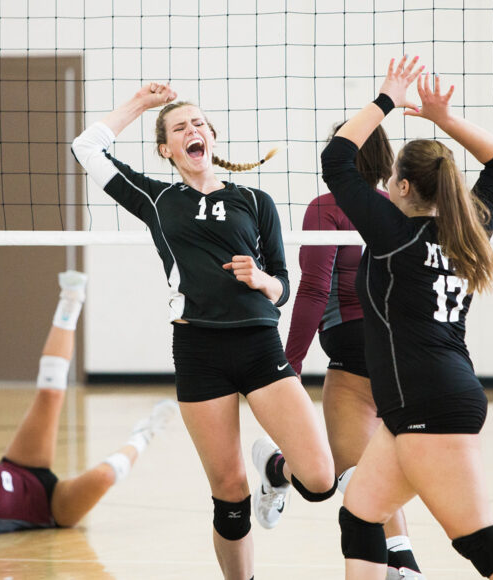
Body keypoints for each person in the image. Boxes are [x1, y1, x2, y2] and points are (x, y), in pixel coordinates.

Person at [72, 84, 336, 580]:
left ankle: (274, 470)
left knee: (320, 480)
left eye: (198, 124)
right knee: (229, 491)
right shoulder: (155, 198)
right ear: (166, 150)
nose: (192, 130)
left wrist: (262, 280)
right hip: (199, 350)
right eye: (179, 128)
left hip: (259, 344)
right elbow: (86, 147)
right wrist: (143, 105)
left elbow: (283, 285)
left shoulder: (256, 201)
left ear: (211, 137)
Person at [320, 56, 493, 579]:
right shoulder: (470, 230)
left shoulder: (394, 235)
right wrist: (443, 119)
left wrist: (387, 99)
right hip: (425, 399)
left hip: (429, 402)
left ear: (399, 188)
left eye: (393, 176)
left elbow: (337, 159)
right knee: (360, 516)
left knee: (476, 539)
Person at [0, 270, 178, 545]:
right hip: (53, 508)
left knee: (51, 394)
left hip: (23, 466)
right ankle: (145, 434)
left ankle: (71, 299)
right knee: (103, 476)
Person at [285, 124, 424, 579]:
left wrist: (289, 367)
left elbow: (311, 289)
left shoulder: (327, 207)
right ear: (386, 161)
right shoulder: (397, 210)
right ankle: (404, 562)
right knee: (372, 465)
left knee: (345, 474)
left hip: (351, 341)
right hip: (400, 348)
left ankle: (273, 469)